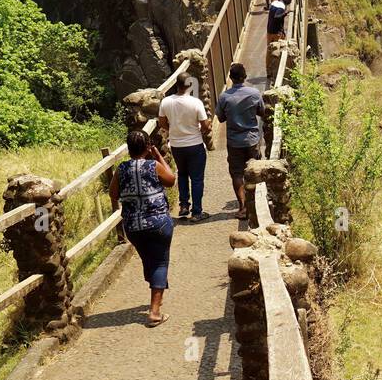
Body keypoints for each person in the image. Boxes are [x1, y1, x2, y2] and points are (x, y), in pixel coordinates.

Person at [109, 130, 176, 326]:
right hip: (158, 223)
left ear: (128, 149)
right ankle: (155, 312)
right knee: (160, 263)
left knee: (149, 261)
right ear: (147, 147)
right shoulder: (153, 165)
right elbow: (171, 180)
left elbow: (113, 194)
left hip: (133, 226)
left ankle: (157, 291)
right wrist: (158, 156)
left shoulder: (121, 169)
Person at [157, 77, 212, 220]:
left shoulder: (166, 102)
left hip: (176, 145)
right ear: (190, 85)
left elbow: (162, 122)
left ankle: (183, 206)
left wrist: (174, 131)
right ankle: (197, 212)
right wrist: (202, 131)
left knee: (182, 174)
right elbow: (205, 125)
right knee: (197, 179)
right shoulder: (196, 102)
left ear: (177, 85)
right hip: (195, 144)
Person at [215, 63, 265, 214]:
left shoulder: (224, 97)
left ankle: (243, 207)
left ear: (230, 78)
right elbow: (262, 112)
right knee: (255, 170)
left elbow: (221, 118)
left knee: (237, 173)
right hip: (252, 139)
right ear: (245, 77)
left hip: (234, 142)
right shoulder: (255, 93)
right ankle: (256, 205)